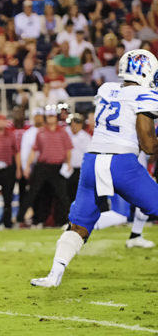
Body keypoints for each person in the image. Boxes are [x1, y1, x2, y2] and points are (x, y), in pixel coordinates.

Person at [31, 49, 158, 287]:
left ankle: (54, 274)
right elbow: (148, 145)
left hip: (92, 161)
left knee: (79, 225)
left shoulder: (106, 89)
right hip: (121, 163)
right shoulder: (146, 94)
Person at [23, 106, 73, 227]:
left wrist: (68, 163)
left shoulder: (63, 132)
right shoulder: (41, 132)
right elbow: (34, 150)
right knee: (35, 193)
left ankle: (65, 220)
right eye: (49, 116)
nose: (51, 119)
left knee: (62, 196)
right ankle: (28, 219)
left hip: (58, 167)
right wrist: (27, 166)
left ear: (56, 118)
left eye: (52, 116)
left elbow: (68, 149)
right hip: (43, 166)